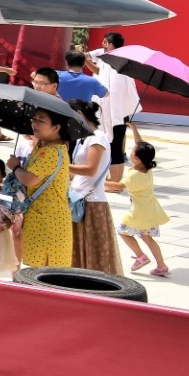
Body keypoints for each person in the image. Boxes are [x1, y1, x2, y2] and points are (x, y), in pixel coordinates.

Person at [12, 107, 75, 267]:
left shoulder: (50, 152)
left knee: (43, 274)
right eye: (34, 119)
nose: (35, 123)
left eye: (41, 120)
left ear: (56, 127)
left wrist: (15, 167)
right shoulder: (45, 146)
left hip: (48, 221)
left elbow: (30, 179)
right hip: (43, 217)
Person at [67, 99, 120, 275]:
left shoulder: (97, 138)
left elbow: (90, 169)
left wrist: (61, 165)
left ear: (80, 115)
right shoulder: (83, 138)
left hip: (91, 203)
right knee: (78, 251)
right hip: (78, 199)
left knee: (95, 252)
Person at [105, 142, 170, 277]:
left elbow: (118, 186)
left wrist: (99, 181)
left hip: (138, 212)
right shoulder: (148, 168)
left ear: (137, 159)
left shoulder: (134, 175)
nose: (130, 152)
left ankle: (141, 256)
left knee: (122, 232)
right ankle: (161, 265)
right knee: (148, 238)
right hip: (151, 211)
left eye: (133, 151)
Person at [91, 33, 141, 184]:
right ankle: (115, 180)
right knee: (117, 147)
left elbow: (105, 82)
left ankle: (114, 181)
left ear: (108, 43)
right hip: (120, 111)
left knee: (112, 147)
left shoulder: (112, 62)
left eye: (104, 43)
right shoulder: (123, 60)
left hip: (112, 113)